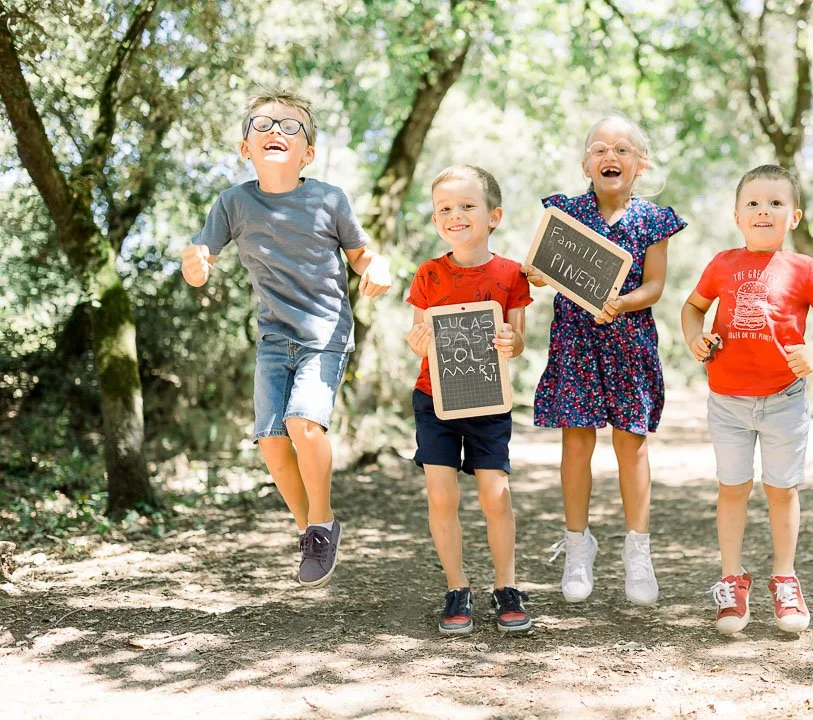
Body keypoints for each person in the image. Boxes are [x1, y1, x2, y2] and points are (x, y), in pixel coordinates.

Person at [181, 89, 391, 588]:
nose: (276, 130)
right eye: (263, 124)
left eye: (290, 126)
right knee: (271, 441)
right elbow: (199, 263)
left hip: (325, 332)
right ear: (245, 147)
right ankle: (310, 531)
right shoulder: (233, 203)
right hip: (274, 337)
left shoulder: (328, 199)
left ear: (308, 153)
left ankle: (321, 520)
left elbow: (360, 253)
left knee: (303, 423)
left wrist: (375, 264)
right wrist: (195, 264)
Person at [521, 115, 687, 605]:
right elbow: (541, 269)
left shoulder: (652, 220)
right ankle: (578, 547)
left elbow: (655, 285)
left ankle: (638, 551)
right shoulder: (565, 212)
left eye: (621, 149)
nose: (609, 156)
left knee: (631, 446)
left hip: (630, 344)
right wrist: (537, 274)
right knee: (576, 443)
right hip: (575, 343)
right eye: (598, 149)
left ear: (641, 163)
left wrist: (625, 301)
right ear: (585, 163)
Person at [680, 164, 813, 634]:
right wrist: (695, 338)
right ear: (737, 215)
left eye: (775, 203)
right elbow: (692, 308)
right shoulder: (721, 263)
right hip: (728, 400)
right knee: (733, 487)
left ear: (793, 217)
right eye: (753, 203)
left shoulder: (803, 268)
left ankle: (785, 578)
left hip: (784, 399)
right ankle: (732, 581)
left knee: (781, 489)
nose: (763, 211)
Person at [406, 165, 534, 635]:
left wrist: (508, 341)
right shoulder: (428, 274)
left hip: (489, 399)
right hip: (434, 400)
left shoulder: (511, 275)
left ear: (493, 215)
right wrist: (417, 342)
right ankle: (457, 588)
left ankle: (507, 587)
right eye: (445, 208)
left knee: (494, 495)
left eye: (467, 206)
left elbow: (518, 341)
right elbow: (417, 331)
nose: (455, 215)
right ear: (436, 219)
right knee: (441, 495)